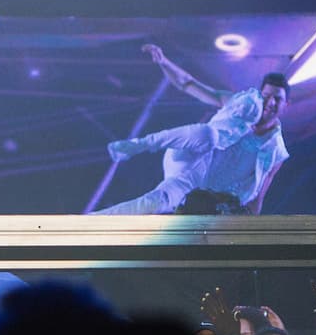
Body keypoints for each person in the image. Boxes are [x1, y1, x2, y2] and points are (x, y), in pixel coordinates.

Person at [96, 44, 289, 215]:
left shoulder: (276, 151)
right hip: (188, 158)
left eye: (277, 99)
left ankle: (93, 220)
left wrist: (250, 227)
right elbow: (188, 84)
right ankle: (139, 144)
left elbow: (258, 196)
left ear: (285, 105)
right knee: (208, 135)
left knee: (154, 201)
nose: (270, 103)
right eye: (266, 96)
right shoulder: (239, 105)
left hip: (198, 185)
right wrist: (164, 62)